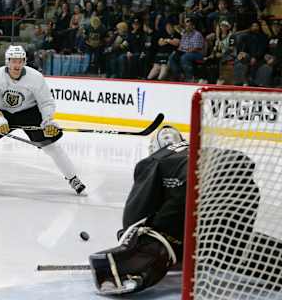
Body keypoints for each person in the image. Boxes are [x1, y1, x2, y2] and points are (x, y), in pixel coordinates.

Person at [89, 126, 264, 295]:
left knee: (155, 236)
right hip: (243, 185)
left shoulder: (155, 159)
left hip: (203, 185)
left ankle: (129, 269)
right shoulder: (192, 151)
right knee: (230, 248)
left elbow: (135, 214)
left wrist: (129, 236)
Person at [0, 45, 86, 195]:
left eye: (20, 61)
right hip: (4, 112)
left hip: (29, 113)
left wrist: (47, 120)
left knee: (51, 146)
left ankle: (73, 178)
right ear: (7, 62)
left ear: (24, 61)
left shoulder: (36, 77)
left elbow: (46, 103)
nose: (17, 65)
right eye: (14, 61)